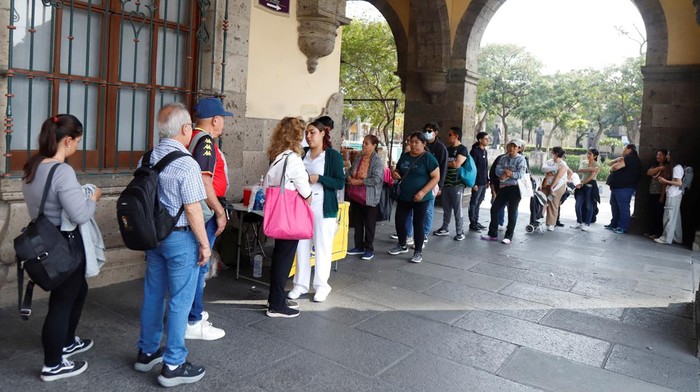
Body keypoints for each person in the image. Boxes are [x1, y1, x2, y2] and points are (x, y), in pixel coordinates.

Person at [134, 103, 210, 387]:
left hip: (153, 238)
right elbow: (192, 210)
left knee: (153, 294)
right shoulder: (186, 163)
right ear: (186, 129)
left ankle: (147, 351)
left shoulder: (145, 159)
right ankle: (174, 364)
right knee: (180, 299)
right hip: (179, 239)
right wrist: (204, 244)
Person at [22, 115, 101, 382]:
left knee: (77, 291)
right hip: (63, 243)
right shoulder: (61, 170)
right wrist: (93, 198)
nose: (78, 146)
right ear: (67, 140)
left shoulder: (33, 167)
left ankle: (67, 340)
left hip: (44, 241)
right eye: (77, 141)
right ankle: (53, 364)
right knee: (62, 302)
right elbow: (79, 214)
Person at [184, 97, 231, 341]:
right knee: (200, 266)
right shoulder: (205, 141)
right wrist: (220, 212)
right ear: (215, 120)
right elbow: (204, 181)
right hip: (204, 213)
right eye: (222, 118)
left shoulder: (191, 137)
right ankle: (193, 318)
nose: (223, 123)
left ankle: (192, 313)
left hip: (198, 212)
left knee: (196, 266)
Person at [288, 120, 345, 303]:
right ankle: (300, 284)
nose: (309, 136)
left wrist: (319, 178)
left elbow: (339, 182)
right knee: (301, 245)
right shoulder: (302, 155)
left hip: (323, 207)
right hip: (303, 206)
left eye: (312, 132)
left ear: (322, 134)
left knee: (322, 246)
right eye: (306, 133)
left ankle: (321, 286)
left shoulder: (332, 156)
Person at [264, 117, 311, 318]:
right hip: (290, 216)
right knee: (284, 260)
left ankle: (275, 298)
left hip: (278, 214)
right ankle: (276, 304)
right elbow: (305, 189)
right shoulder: (293, 159)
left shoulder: (278, 157)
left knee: (279, 258)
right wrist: (308, 198)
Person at [389, 131, 440, 263]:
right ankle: (402, 244)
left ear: (424, 144)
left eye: (416, 142)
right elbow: (399, 170)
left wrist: (423, 191)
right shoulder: (405, 157)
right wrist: (395, 173)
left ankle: (418, 251)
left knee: (418, 223)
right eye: (411, 142)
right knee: (399, 220)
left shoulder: (428, 158)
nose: (413, 145)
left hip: (421, 198)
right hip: (404, 196)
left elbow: (436, 177)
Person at [404, 123, 447, 246]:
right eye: (425, 131)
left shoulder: (440, 148)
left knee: (427, 210)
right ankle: (409, 234)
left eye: (430, 131)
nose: (427, 133)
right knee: (411, 212)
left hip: (431, 184)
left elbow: (442, 168)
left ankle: (425, 233)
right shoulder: (411, 152)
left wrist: (440, 185)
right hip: (414, 185)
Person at [346, 135, 384, 260]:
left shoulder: (377, 161)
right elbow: (351, 170)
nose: (363, 145)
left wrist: (359, 182)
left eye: (366, 143)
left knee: (369, 223)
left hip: (369, 197)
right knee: (357, 222)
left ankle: (369, 248)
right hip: (356, 195)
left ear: (374, 145)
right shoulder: (359, 157)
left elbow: (376, 179)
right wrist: (349, 176)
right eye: (363, 143)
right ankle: (358, 246)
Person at [481, 139, 527, 244]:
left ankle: (508, 236)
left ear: (519, 148)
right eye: (510, 146)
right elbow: (497, 171)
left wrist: (508, 173)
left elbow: (520, 175)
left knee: (512, 211)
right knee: (495, 209)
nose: (511, 148)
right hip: (504, 187)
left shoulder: (521, 160)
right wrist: (506, 172)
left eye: (514, 147)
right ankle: (492, 234)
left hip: (515, 189)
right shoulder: (503, 158)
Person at [433, 127, 468, 241]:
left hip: (457, 184)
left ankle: (459, 231)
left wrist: (446, 163)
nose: (448, 136)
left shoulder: (462, 149)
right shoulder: (447, 149)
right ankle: (445, 227)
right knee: (446, 208)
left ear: (456, 135)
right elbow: (442, 164)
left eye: (450, 134)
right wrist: (449, 163)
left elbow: (457, 164)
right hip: (446, 183)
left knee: (457, 209)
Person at [605, 144, 642, 234]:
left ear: (630, 149)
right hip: (618, 187)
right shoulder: (626, 158)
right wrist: (618, 159)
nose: (623, 150)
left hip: (624, 187)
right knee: (614, 205)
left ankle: (623, 226)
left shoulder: (630, 158)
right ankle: (614, 223)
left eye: (624, 149)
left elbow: (615, 167)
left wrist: (613, 168)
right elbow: (610, 163)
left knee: (623, 207)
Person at [654, 151, 683, 245]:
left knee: (669, 217)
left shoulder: (676, 168)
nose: (667, 156)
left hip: (673, 194)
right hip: (674, 194)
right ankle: (677, 238)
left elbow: (679, 183)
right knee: (675, 217)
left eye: (669, 154)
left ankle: (666, 238)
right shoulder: (676, 167)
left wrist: (665, 181)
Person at [541, 147, 569, 231]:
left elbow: (558, 177)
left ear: (556, 154)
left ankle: (551, 223)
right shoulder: (549, 161)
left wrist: (552, 187)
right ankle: (538, 219)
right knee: (542, 201)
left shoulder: (563, 164)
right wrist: (554, 168)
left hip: (557, 187)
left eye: (552, 152)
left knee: (553, 204)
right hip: (546, 184)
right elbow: (543, 169)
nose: (550, 153)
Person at [572, 148, 600, 231]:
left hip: (590, 186)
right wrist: (591, 169)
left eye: (590, 154)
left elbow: (591, 177)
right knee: (578, 204)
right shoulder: (584, 162)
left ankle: (587, 224)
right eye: (587, 153)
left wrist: (582, 183)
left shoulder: (597, 164)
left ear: (595, 156)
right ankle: (579, 222)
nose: (588, 155)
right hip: (582, 185)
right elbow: (580, 170)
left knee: (589, 205)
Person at [645, 149, 669, 239]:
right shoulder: (656, 166)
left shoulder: (666, 168)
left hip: (659, 193)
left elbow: (664, 184)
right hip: (652, 192)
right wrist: (660, 168)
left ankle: (657, 232)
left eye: (660, 155)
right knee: (651, 212)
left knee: (658, 213)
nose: (658, 157)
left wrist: (662, 195)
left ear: (665, 157)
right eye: (657, 155)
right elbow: (648, 172)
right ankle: (651, 231)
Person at [468, 131, 490, 232]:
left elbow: (485, 168)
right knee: (474, 202)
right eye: (486, 139)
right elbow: (472, 168)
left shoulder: (485, 151)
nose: (488, 140)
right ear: (480, 140)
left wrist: (487, 180)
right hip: (477, 182)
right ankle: (472, 222)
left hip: (483, 182)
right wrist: (474, 183)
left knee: (479, 202)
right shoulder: (475, 152)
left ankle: (476, 221)